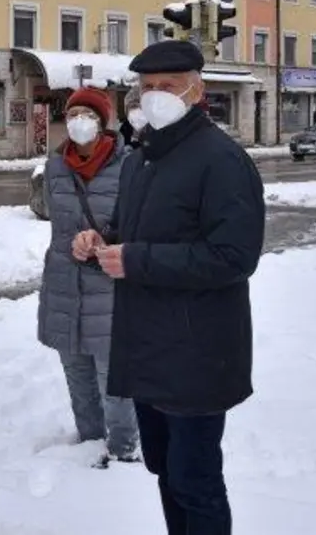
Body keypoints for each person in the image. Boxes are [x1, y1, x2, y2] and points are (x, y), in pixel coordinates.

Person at [78, 39, 265, 535]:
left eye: (168, 86)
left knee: (195, 479)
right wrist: (102, 245)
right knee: (164, 469)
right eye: (147, 87)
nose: (154, 95)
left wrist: (135, 259)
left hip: (198, 351)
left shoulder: (221, 160)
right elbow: (130, 236)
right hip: (148, 345)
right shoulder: (143, 157)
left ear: (196, 90)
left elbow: (234, 256)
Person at [37, 87, 138, 468]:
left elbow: (140, 226)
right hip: (64, 285)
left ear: (103, 122)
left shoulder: (129, 165)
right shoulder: (55, 166)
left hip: (109, 286)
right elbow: (56, 225)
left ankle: (124, 451)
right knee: (77, 375)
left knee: (113, 381)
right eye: (73, 113)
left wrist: (105, 241)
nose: (79, 121)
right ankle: (88, 444)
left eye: (88, 114)